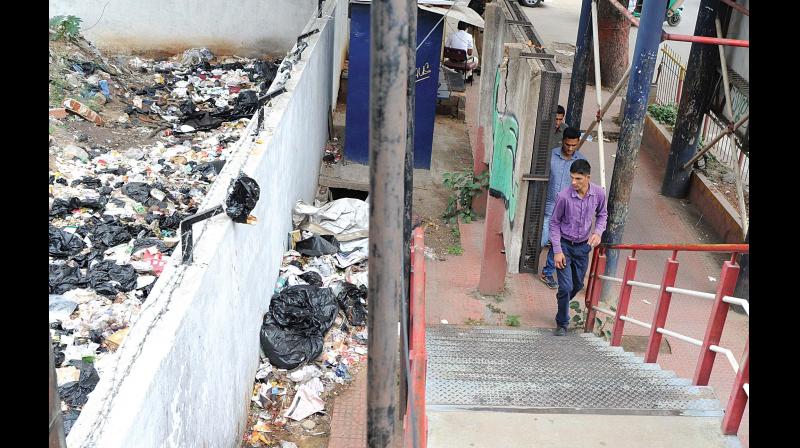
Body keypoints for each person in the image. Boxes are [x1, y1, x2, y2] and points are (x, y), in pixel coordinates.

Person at [549, 159, 608, 336]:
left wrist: (598, 232)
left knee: (576, 285)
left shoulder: (598, 194)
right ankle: (562, 323)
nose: (573, 182)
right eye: (572, 178)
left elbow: (603, 214)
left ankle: (562, 298)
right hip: (565, 246)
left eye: (578, 179)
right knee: (566, 287)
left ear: (588, 177)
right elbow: (554, 223)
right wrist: (557, 251)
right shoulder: (563, 197)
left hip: (583, 248)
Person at [539, 126, 586, 290]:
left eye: (574, 145)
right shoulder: (551, 156)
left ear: (578, 143)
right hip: (549, 204)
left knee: (557, 242)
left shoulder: (581, 162)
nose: (570, 148)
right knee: (544, 237)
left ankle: (548, 272)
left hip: (567, 210)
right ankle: (527, 260)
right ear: (563, 142)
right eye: (567, 144)